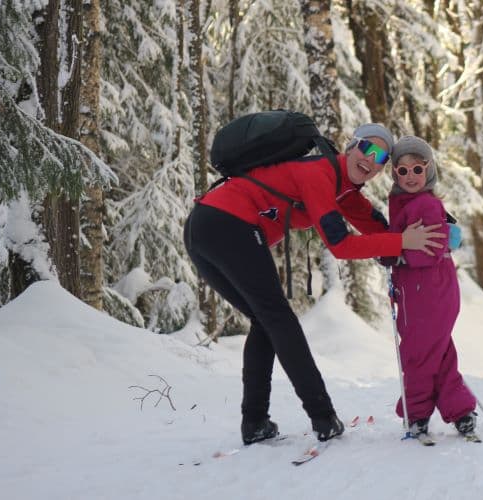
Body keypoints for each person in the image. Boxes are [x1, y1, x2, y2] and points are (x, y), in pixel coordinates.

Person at [183, 124, 446, 444]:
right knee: (278, 319)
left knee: (266, 322)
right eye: (367, 148)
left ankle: (255, 423)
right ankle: (322, 417)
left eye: (382, 159)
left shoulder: (345, 189)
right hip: (226, 222)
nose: (372, 160)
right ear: (351, 147)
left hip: (205, 228)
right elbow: (340, 244)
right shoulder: (320, 174)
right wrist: (400, 242)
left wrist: (421, 233)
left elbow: (376, 226)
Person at [386, 135, 479, 440]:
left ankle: (417, 413)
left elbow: (428, 251)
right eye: (402, 170)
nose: (410, 176)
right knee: (437, 352)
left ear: (429, 169)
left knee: (417, 353)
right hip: (428, 291)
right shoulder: (406, 202)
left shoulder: (425, 203)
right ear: (394, 174)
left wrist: (393, 251)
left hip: (426, 293)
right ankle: (461, 411)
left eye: (417, 168)